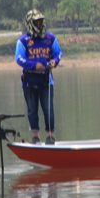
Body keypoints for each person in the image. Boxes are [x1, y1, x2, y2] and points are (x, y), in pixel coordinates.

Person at [15, 9, 62, 144]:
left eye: (41, 21)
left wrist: (55, 61)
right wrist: (34, 66)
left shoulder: (50, 38)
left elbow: (58, 53)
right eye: (37, 22)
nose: (40, 24)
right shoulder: (23, 41)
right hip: (29, 82)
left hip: (46, 81)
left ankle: (50, 136)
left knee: (48, 110)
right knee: (32, 110)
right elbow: (19, 59)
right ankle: (35, 137)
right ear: (30, 23)